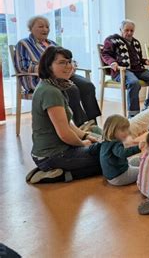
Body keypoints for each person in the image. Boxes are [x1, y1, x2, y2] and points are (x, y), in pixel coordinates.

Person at [26, 46, 102, 184]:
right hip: (52, 156)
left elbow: (67, 124)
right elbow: (64, 134)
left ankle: (52, 171)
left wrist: (86, 136)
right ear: (48, 66)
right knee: (110, 158)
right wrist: (82, 144)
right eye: (62, 62)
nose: (68, 66)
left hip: (50, 154)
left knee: (103, 147)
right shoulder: (51, 92)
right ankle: (55, 175)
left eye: (69, 62)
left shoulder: (54, 86)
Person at [14, 15, 101, 126]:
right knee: (72, 89)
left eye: (47, 27)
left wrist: (71, 65)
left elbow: (66, 58)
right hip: (41, 78)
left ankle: (93, 124)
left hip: (63, 74)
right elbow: (23, 66)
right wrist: (47, 68)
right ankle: (82, 126)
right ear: (30, 28)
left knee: (87, 86)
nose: (45, 29)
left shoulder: (52, 44)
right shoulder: (23, 44)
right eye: (41, 26)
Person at [101, 20, 149, 117]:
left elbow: (138, 58)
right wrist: (112, 62)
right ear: (120, 29)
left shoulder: (136, 42)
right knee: (134, 83)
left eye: (131, 31)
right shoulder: (112, 40)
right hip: (122, 71)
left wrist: (146, 61)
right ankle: (133, 115)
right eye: (126, 30)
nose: (129, 33)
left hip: (138, 70)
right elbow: (105, 54)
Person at [99, 114, 141, 186]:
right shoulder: (115, 144)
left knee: (137, 159)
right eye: (123, 130)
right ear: (112, 130)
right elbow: (123, 153)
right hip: (119, 176)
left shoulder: (106, 142)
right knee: (144, 170)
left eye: (127, 129)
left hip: (114, 174)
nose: (127, 132)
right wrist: (138, 148)